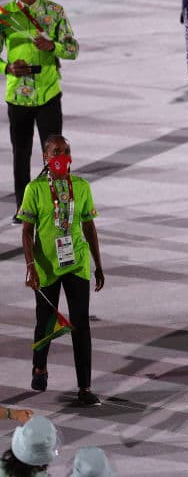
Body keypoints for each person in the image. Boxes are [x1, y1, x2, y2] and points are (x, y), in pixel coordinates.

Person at [20, 134, 104, 407]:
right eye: (56, 152)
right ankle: (39, 367)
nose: (62, 157)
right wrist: (30, 267)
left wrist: (98, 265)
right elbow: (26, 232)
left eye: (66, 151)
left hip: (77, 263)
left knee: (81, 325)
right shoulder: (34, 190)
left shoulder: (81, 187)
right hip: (47, 265)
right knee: (45, 320)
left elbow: (89, 227)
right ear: (45, 157)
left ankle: (84, 387)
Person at [1, 0, 79, 224]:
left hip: (47, 93)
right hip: (18, 95)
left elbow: (73, 49)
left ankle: (56, 208)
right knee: (20, 153)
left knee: (56, 154)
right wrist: (7, 67)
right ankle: (24, 209)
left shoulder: (54, 11)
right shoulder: (4, 14)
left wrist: (52, 45)